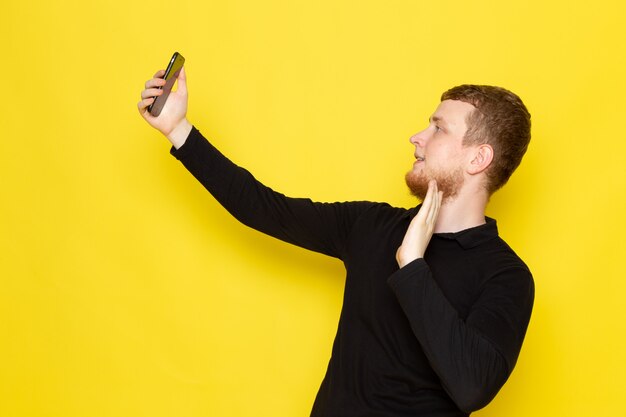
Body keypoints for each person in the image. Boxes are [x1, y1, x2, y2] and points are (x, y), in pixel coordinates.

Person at [138, 67, 534, 416]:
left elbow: (471, 387)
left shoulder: (505, 276)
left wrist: (412, 263)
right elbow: (264, 208)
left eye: (438, 128)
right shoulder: (371, 225)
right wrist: (178, 129)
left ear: (478, 159)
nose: (417, 137)